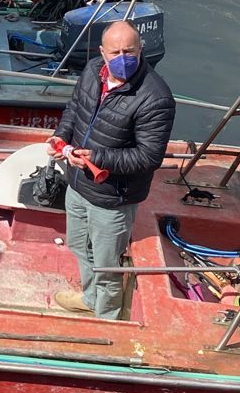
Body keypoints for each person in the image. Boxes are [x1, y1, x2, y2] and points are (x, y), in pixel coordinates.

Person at [49, 20, 175, 320]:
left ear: (140, 49)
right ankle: (91, 299)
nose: (123, 57)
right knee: (79, 246)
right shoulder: (93, 71)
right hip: (78, 184)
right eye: (115, 51)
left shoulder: (156, 97)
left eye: (129, 50)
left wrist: (99, 158)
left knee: (106, 264)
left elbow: (149, 156)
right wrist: (61, 136)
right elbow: (75, 107)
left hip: (113, 197)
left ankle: (107, 319)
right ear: (102, 52)